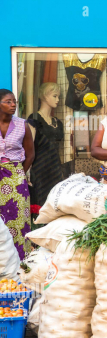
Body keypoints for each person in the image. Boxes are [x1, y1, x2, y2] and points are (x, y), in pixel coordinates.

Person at [0, 89, 34, 260]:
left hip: (15, 176)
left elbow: (30, 154)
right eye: (8, 101)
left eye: (14, 102)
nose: (13, 105)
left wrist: (20, 172)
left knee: (19, 218)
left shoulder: (22, 124)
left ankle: (22, 261)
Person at [27, 82, 64, 207]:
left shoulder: (57, 122)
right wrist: (28, 170)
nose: (58, 100)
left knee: (56, 202)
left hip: (55, 168)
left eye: (58, 96)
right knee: (41, 202)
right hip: (40, 167)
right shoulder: (34, 118)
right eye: (54, 96)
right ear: (44, 96)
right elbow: (29, 146)